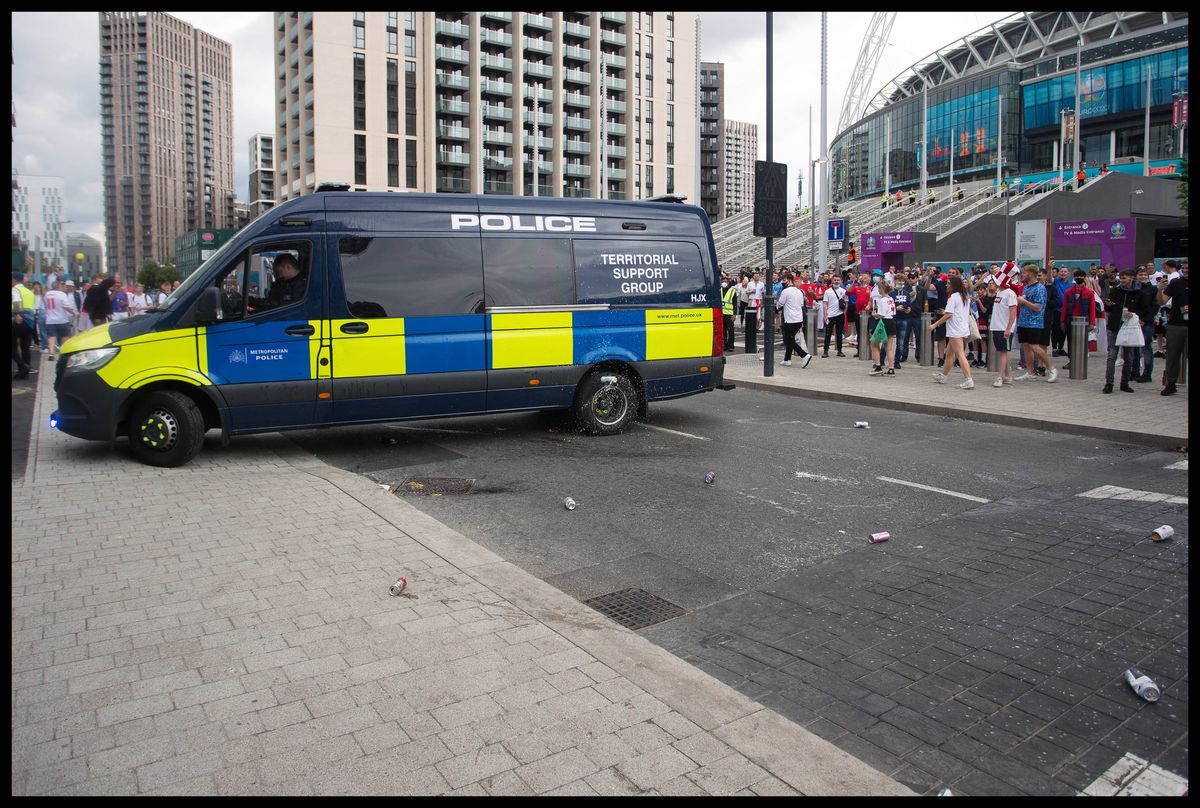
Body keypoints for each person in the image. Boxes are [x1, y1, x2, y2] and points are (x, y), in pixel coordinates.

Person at [1101, 268, 1145, 394]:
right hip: (1114, 326)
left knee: (1129, 357)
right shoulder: (1115, 290)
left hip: (1129, 327)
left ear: (1132, 278)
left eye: (1125, 278)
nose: (1122, 280)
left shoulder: (1138, 292)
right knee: (1112, 356)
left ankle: (1124, 383)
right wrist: (1108, 304)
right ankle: (1109, 383)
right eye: (1121, 278)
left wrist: (1135, 314)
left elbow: (1144, 309)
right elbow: (1108, 308)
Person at [1014, 264, 1057, 382]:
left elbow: (1039, 307)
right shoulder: (1026, 287)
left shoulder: (1040, 288)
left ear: (1031, 274)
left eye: (1024, 272)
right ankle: (1029, 372)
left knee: (1035, 347)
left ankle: (1052, 369)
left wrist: (1024, 301)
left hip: (1034, 323)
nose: (1022, 275)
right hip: (1023, 321)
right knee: (1026, 347)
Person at [929, 275, 974, 389]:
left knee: (960, 355)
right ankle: (943, 375)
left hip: (955, 330)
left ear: (954, 285)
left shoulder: (953, 297)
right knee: (949, 354)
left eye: (949, 283)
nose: (947, 285)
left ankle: (968, 379)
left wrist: (935, 324)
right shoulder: (965, 296)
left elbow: (949, 314)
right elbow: (956, 312)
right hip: (961, 328)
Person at [1158, 262, 1188, 396]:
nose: (1186, 270)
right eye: (1185, 268)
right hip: (1176, 324)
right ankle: (1171, 384)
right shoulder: (1176, 282)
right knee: (1172, 356)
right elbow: (1162, 301)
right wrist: (1159, 290)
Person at [1058, 269, 1097, 371]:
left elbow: (1092, 309)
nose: (1078, 278)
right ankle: (1071, 360)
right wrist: (1062, 321)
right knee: (1071, 341)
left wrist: (1092, 322)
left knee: (1082, 342)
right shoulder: (1069, 292)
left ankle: (1081, 361)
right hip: (1070, 320)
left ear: (1084, 278)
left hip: (1083, 321)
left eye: (1081, 276)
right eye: (1076, 276)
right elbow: (1065, 307)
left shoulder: (1089, 293)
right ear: (1074, 278)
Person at [776, 272, 812, 368]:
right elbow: (801, 305)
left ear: (788, 280)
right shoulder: (799, 291)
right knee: (790, 338)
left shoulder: (785, 291)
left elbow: (780, 304)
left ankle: (804, 355)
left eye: (784, 280)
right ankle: (787, 359)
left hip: (790, 319)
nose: (783, 282)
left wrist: (776, 303)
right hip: (798, 318)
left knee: (788, 340)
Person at [987, 277, 1018, 387]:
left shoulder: (1010, 294)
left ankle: (1000, 376)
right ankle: (1007, 376)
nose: (994, 283)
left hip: (1004, 328)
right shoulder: (999, 292)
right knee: (1002, 351)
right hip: (997, 327)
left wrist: (1009, 328)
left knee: (1003, 352)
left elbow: (1013, 312)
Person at [1129, 267, 1157, 383]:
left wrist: (1144, 319)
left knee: (1146, 348)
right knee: (1135, 348)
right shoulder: (1133, 289)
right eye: (1140, 275)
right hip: (1135, 322)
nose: (1143, 277)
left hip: (1147, 323)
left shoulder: (1153, 289)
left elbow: (1154, 307)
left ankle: (1147, 373)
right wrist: (1136, 318)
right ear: (1136, 277)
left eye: (1145, 275)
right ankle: (1134, 372)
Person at [869, 278, 898, 377]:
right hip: (891, 321)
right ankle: (891, 368)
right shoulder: (891, 299)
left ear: (882, 289)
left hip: (883, 322)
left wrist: (874, 314)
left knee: (874, 344)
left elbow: (880, 314)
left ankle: (878, 366)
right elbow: (893, 312)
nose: (878, 290)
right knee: (889, 348)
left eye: (879, 288)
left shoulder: (883, 300)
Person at [42, 280, 77, 360]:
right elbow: (66, 306)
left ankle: (51, 353)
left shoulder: (47, 294)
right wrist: (73, 313)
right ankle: (64, 353)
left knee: (51, 336)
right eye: (62, 285)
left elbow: (45, 305)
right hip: (62, 319)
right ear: (59, 286)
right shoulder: (61, 294)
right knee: (64, 336)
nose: (64, 287)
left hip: (50, 319)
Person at [12, 272, 36, 379]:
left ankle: (22, 365)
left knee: (13, 346)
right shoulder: (29, 291)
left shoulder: (15, 290)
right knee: (25, 347)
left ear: (13, 279)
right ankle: (25, 371)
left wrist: (17, 314)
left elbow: (16, 302)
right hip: (30, 322)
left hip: (18, 320)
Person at [892, 273, 916, 368]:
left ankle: (897, 361)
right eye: (899, 280)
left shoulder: (906, 293)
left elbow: (909, 305)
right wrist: (895, 308)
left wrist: (908, 309)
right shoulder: (891, 293)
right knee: (888, 342)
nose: (901, 282)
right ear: (895, 281)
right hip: (893, 319)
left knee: (900, 343)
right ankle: (881, 360)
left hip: (903, 319)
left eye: (902, 281)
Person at [1050, 266, 1074, 356]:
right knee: (1055, 330)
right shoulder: (1056, 281)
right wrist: (1049, 268)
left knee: (1063, 330)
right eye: (1061, 271)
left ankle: (1061, 347)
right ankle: (1054, 349)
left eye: (1065, 271)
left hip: (1066, 311)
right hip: (1057, 310)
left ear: (1068, 274)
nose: (1063, 273)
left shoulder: (1071, 284)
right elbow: (1049, 278)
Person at [821, 276, 846, 358]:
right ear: (832, 281)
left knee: (839, 333)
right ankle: (825, 351)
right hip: (830, 315)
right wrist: (825, 315)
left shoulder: (843, 291)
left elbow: (846, 303)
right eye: (835, 280)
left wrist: (844, 313)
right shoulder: (827, 292)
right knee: (828, 333)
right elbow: (825, 304)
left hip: (840, 314)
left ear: (840, 281)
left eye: (838, 280)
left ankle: (839, 350)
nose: (836, 282)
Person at [720, 274, 737, 352]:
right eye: (723, 281)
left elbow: (735, 303)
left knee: (730, 330)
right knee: (722, 330)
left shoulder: (732, 291)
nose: (724, 282)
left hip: (729, 314)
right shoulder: (719, 290)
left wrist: (734, 314)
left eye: (726, 281)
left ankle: (731, 346)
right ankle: (724, 345)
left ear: (728, 282)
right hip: (721, 314)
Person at [32, 281, 47, 351]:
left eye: (37, 287)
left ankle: (45, 346)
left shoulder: (43, 295)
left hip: (42, 312)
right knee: (34, 329)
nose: (36, 288)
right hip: (33, 312)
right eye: (35, 287)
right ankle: (38, 343)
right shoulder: (32, 294)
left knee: (42, 330)